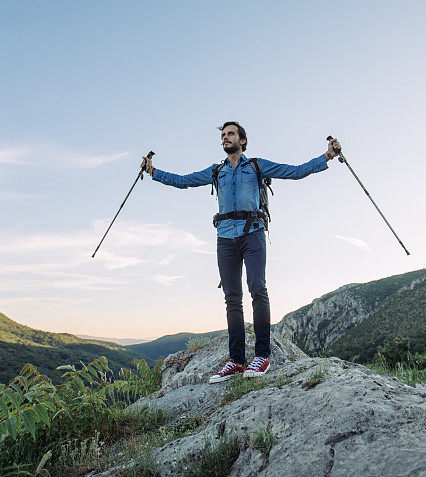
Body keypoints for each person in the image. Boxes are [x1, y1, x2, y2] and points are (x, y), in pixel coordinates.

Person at [141, 122, 341, 382]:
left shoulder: (256, 166)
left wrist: (328, 156)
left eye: (231, 134)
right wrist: (153, 171)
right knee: (232, 298)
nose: (226, 138)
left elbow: (295, 171)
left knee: (257, 288)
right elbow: (183, 181)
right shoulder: (217, 171)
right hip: (225, 237)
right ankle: (236, 361)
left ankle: (262, 356)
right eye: (223, 135)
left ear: (243, 141)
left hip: (253, 232)